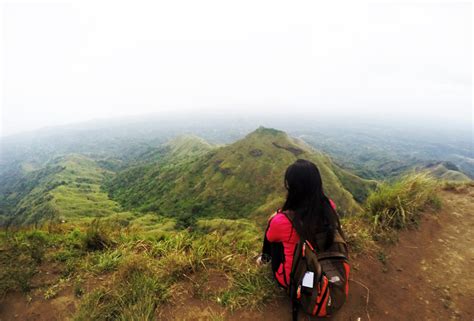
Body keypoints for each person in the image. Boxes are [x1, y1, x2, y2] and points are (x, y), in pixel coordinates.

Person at [258, 159, 340, 289]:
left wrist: (277, 215)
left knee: (272, 233)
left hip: (295, 281)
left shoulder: (282, 221)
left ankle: (264, 260)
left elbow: (270, 238)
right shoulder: (329, 206)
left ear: (292, 187)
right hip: (323, 265)